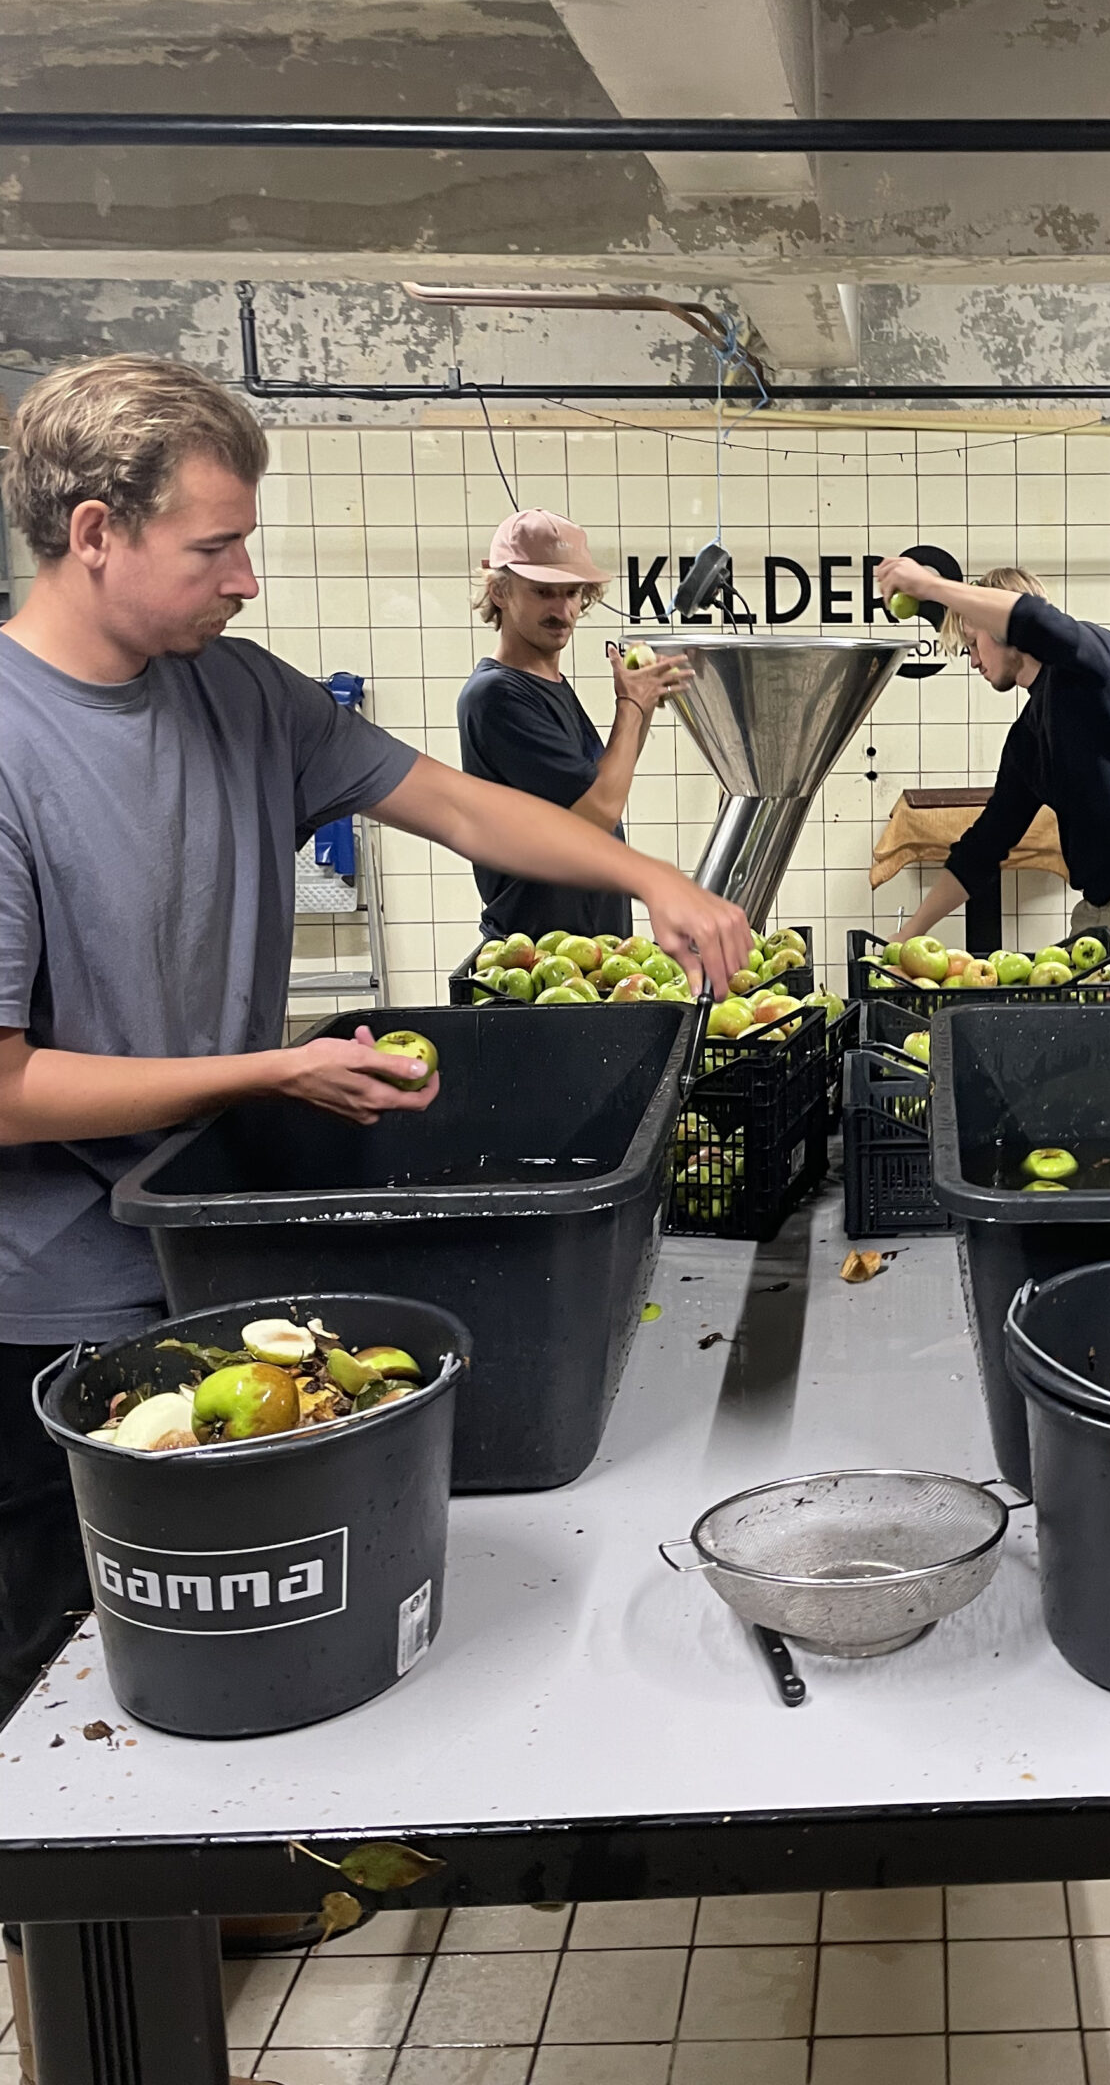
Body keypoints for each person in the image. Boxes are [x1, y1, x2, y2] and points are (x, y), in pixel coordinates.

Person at [0, 357, 751, 1717]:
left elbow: (461, 810)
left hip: (210, 1250)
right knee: (52, 1683)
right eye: (214, 544)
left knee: (230, 1644)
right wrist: (278, 1068)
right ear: (96, 533)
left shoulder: (243, 697)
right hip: (42, 1311)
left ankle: (221, 1906)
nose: (245, 579)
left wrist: (660, 882)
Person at [874, 557, 1110, 1001]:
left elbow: (1034, 619)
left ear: (1005, 631)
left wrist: (932, 586)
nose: (973, 659)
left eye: (973, 641)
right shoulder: (1028, 738)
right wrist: (903, 944)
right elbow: (983, 847)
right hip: (1102, 910)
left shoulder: (1092, 664)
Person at [457, 509, 691, 945]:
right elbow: (598, 812)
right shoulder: (498, 696)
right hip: (538, 952)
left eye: (572, 594)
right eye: (543, 592)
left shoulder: (549, 685)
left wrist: (644, 703)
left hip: (590, 945)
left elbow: (603, 783)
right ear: (500, 592)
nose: (562, 610)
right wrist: (629, 705)